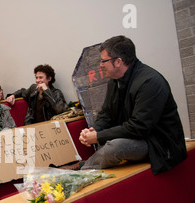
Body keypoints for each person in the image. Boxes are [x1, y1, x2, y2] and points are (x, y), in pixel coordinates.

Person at [63, 35, 187, 175]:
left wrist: (98, 136)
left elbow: (139, 127)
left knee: (115, 147)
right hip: (137, 137)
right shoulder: (115, 80)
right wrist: (93, 131)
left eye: (103, 61)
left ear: (118, 62)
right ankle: (89, 166)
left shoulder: (150, 82)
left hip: (158, 143)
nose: (101, 65)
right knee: (106, 140)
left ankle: (81, 170)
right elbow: (106, 114)